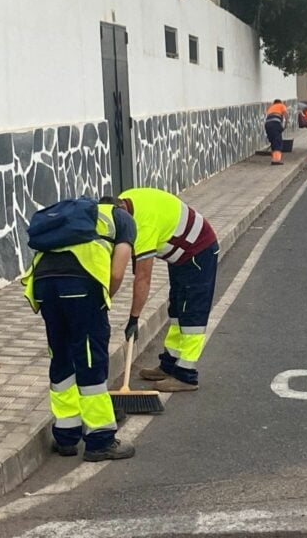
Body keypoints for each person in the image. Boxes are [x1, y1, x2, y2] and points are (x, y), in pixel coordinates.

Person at [22, 198, 137, 462]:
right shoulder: (123, 220)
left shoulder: (74, 218)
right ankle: (100, 440)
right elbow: (117, 273)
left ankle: (66, 436)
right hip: (80, 286)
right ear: (123, 207)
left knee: (61, 356)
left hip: (44, 284)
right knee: (89, 359)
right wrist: (103, 302)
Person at [111, 188, 219, 392]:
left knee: (192, 313)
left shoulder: (142, 226)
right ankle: (169, 365)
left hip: (198, 253)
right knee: (177, 309)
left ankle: (187, 375)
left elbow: (143, 278)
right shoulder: (125, 203)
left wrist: (134, 319)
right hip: (180, 257)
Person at [264, 99, 288, 166]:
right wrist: (285, 126)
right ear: (280, 103)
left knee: (273, 141)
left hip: (267, 125)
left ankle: (274, 158)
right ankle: (276, 161)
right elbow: (286, 116)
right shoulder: (281, 105)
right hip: (275, 124)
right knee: (277, 141)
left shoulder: (271, 107)